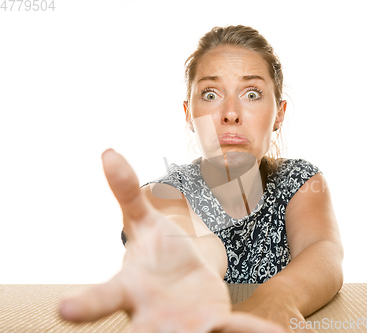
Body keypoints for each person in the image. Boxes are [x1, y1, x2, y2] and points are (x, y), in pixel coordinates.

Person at [59, 25, 344, 333]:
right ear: (189, 115)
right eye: (210, 94)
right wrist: (179, 269)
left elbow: (323, 250)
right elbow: (182, 236)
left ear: (279, 114)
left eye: (252, 94)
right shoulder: (162, 193)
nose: (230, 114)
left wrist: (279, 297)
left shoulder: (300, 181)